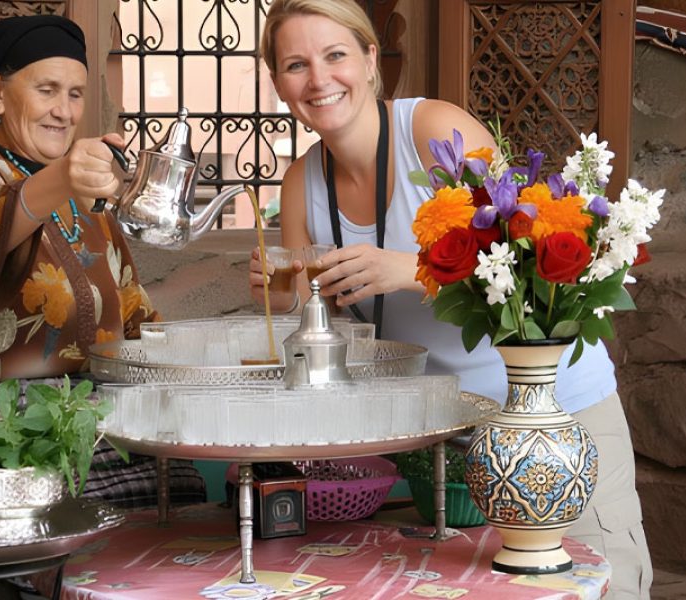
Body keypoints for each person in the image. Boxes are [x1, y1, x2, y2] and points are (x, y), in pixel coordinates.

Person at [248, 1, 652, 597]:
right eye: (295, 64)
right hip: (442, 440)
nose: (318, 79)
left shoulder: (431, 130)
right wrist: (280, 296)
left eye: (336, 55)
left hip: (554, 411)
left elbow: (527, 256)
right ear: (279, 82)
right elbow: (316, 322)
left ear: (368, 60)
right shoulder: (299, 182)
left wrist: (407, 269)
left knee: (599, 585)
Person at [0, 14, 204, 510]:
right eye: (47, 90)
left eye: (76, 94)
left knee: (179, 486)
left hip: (90, 419)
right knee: (81, 508)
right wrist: (65, 175)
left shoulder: (89, 201)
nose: (64, 111)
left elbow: (135, 317)